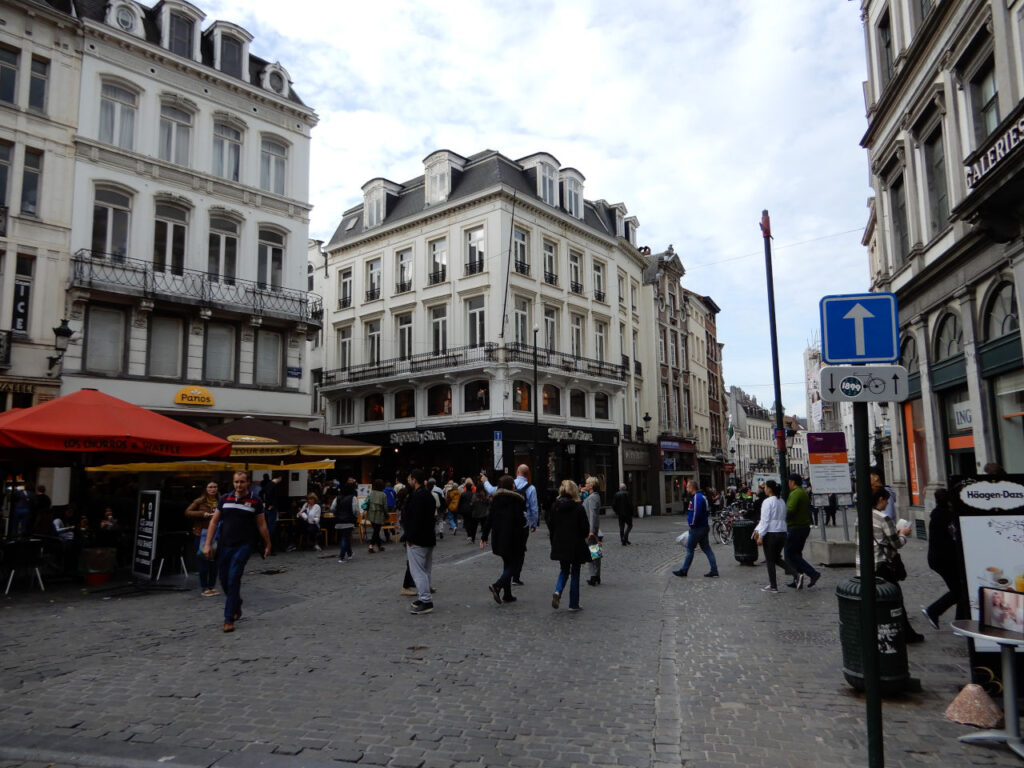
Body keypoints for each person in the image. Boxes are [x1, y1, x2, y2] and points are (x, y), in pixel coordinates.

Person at [203, 471, 271, 633]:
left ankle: (228, 618)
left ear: (248, 482)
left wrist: (268, 543)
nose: (239, 485)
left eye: (241, 482)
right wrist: (207, 543)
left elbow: (261, 525)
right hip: (225, 544)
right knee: (224, 579)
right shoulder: (225, 499)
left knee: (234, 577)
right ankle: (236, 602)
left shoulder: (255, 501)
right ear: (232, 483)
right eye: (236, 482)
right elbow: (214, 522)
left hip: (244, 545)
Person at [866, 487, 925, 643]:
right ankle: (905, 633)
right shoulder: (883, 518)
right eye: (886, 500)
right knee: (894, 598)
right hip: (882, 564)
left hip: (865, 565)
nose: (887, 504)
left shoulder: (863, 516)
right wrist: (903, 534)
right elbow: (896, 543)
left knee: (875, 599)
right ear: (880, 500)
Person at [922, 488, 969, 629]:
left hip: (941, 559)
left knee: (960, 589)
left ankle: (960, 622)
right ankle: (935, 611)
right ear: (949, 501)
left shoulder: (939, 514)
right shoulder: (946, 517)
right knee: (959, 590)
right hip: (945, 560)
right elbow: (954, 537)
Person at [482, 465, 537, 584]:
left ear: (517, 471)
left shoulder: (498, 496)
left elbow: (490, 516)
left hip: (500, 531)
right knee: (517, 556)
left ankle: (507, 593)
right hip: (518, 530)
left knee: (507, 560)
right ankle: (505, 582)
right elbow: (533, 507)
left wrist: (485, 482)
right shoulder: (523, 494)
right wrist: (533, 522)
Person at [547, 479, 591, 612]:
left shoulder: (555, 506)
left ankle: (558, 591)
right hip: (575, 545)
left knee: (564, 570)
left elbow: (551, 525)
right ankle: (573, 603)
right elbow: (584, 529)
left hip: (560, 543)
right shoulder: (578, 507)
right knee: (575, 573)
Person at [486, 475, 527, 604]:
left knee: (507, 563)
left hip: (499, 537)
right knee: (515, 565)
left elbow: (490, 518)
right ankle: (497, 585)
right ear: (511, 486)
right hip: (513, 537)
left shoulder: (496, 499)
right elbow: (519, 520)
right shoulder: (517, 500)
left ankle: (507, 594)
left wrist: (483, 536)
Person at [402, 469, 436, 615]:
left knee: (418, 571)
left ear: (414, 480)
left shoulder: (417, 496)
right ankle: (424, 598)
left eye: (409, 479)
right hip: (428, 537)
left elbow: (415, 519)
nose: (408, 482)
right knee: (425, 569)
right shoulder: (429, 495)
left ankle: (426, 599)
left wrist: (410, 537)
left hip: (418, 539)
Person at [752, 479, 794, 592]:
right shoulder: (781, 501)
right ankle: (796, 574)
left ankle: (773, 585)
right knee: (775, 558)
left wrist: (760, 535)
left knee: (770, 560)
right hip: (782, 532)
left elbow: (765, 520)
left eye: (765, 487)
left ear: (769, 489)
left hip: (771, 533)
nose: (764, 489)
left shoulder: (767, 502)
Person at [673, 479, 719, 578]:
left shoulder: (696, 498)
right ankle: (714, 570)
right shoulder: (702, 497)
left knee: (690, 549)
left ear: (691, 487)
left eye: (687, 487)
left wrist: (692, 524)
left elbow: (695, 513)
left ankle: (684, 570)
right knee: (707, 549)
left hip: (697, 528)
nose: (686, 488)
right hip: (703, 527)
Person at [784, 473, 820, 589]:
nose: (788, 484)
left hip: (796, 527)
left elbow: (790, 510)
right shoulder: (802, 493)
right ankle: (798, 579)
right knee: (796, 553)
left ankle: (812, 573)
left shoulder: (796, 494)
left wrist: (781, 517)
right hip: (803, 527)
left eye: (789, 481)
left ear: (793, 482)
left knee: (790, 553)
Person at [185, 480, 220, 596]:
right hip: (202, 535)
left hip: (216, 535)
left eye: (215, 487)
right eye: (210, 487)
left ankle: (212, 586)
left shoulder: (221, 500)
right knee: (204, 562)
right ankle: (204, 587)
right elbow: (187, 512)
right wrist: (202, 514)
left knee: (214, 563)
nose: (212, 489)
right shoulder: (199, 501)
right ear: (206, 489)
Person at [582, 476, 603, 586]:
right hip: (593, 529)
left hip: (591, 530)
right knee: (595, 553)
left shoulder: (593, 498)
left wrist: (591, 530)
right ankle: (596, 575)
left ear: (591, 485)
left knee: (592, 554)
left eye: (586, 483)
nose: (585, 485)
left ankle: (594, 576)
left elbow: (593, 515)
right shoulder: (593, 496)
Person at [334, 480, 357, 563]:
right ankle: (341, 557)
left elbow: (332, 508)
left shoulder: (338, 497)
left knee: (345, 537)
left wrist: (337, 513)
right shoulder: (352, 498)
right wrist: (356, 516)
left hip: (338, 521)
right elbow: (355, 510)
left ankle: (350, 553)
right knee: (345, 538)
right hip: (348, 521)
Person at [365, 479, 388, 553]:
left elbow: (367, 502)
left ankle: (379, 546)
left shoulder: (371, 493)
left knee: (376, 530)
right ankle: (371, 546)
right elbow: (385, 507)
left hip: (371, 514)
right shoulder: (383, 495)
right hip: (379, 514)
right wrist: (386, 514)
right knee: (376, 530)